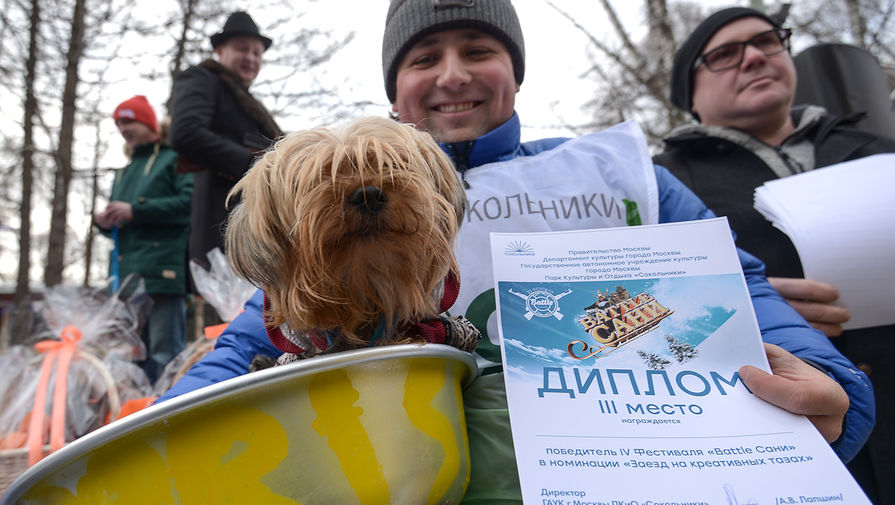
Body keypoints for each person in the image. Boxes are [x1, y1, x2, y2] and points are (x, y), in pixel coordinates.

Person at [158, 2, 874, 503]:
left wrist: (827, 379)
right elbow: (257, 332)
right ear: (394, 89)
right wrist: (158, 439)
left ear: (516, 72)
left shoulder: (615, 176)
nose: (452, 74)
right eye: (422, 58)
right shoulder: (322, 212)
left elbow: (734, 286)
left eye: (478, 50)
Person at [653, 7, 894, 503]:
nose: (755, 57)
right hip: (771, 427)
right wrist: (753, 297)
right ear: (689, 95)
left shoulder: (880, 149)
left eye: (767, 41)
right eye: (725, 55)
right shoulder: (662, 184)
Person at [169, 11, 283, 270]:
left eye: (257, 53)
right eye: (243, 49)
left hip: (256, 221)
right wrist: (256, 167)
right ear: (220, 50)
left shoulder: (250, 103)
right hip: (221, 218)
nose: (251, 58)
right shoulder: (203, 79)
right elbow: (186, 132)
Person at [95, 95, 194, 383]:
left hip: (163, 272)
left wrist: (135, 210)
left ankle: (169, 412)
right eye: (119, 123)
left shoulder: (173, 158)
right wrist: (105, 222)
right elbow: (125, 220)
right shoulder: (124, 172)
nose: (123, 128)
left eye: (129, 121)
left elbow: (188, 205)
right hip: (127, 276)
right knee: (133, 355)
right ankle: (136, 412)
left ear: (148, 123)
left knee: (165, 354)